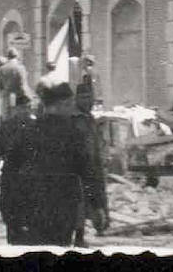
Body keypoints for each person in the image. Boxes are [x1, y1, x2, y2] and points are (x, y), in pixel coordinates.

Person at [12, 81, 92, 246]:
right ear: (62, 105)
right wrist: (96, 205)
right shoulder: (74, 134)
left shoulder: (27, 131)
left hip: (33, 207)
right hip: (64, 209)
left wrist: (9, 208)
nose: (72, 108)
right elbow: (86, 170)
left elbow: (11, 169)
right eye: (70, 104)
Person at [71, 82, 109, 247]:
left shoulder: (90, 119)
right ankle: (77, 237)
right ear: (77, 98)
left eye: (90, 97)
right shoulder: (74, 118)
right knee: (78, 203)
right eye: (84, 97)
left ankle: (90, 229)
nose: (88, 101)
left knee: (91, 201)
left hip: (93, 167)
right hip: (78, 168)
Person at [0, 94, 36, 244]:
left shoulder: (35, 125)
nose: (26, 111)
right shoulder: (7, 126)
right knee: (11, 216)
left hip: (29, 176)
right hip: (12, 175)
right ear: (16, 109)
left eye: (29, 107)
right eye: (24, 107)